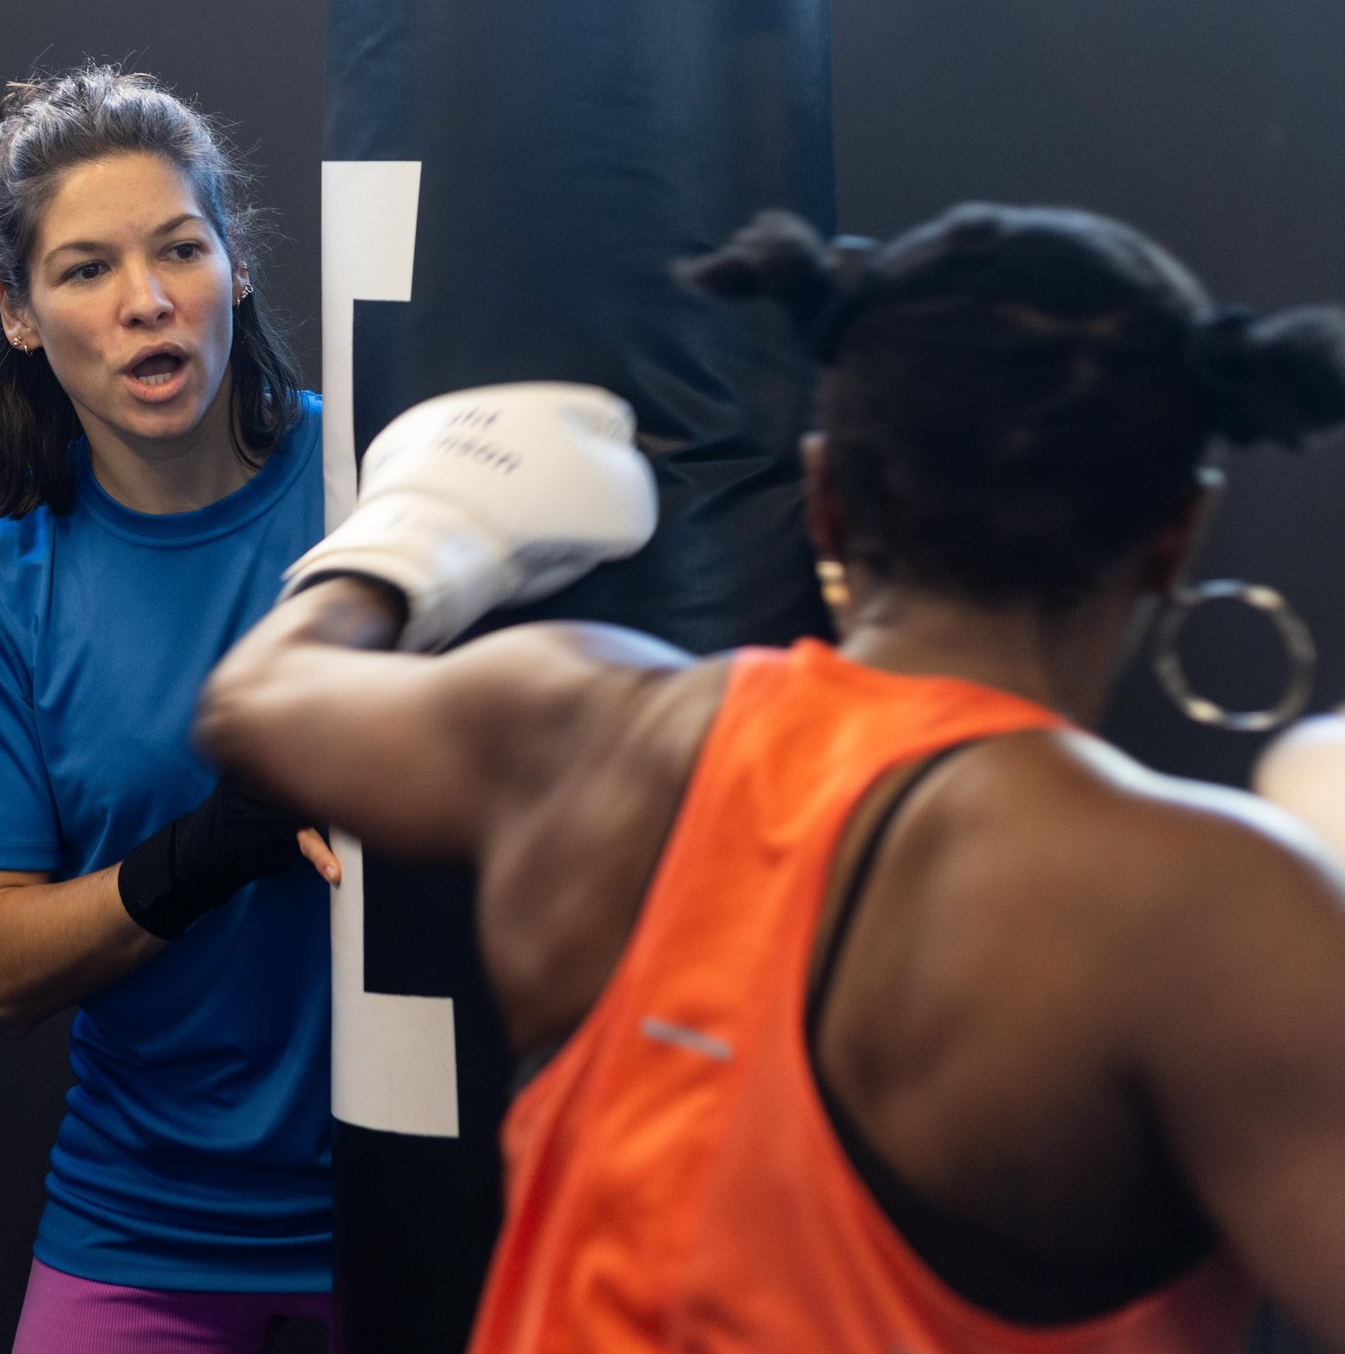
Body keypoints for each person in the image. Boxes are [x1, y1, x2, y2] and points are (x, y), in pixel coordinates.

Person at [197, 204, 1345, 1350]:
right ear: (1176, 535)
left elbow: (255, 701)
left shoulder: (574, 726)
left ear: (827, 497)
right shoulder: (1201, 911)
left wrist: (417, 533)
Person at [0, 66, 344, 1352]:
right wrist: (207, 851)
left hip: (415, 1193)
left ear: (235, 268)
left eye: (181, 249)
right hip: (146, 1222)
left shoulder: (379, 484)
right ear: (20, 316)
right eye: (85, 269)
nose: (146, 300)